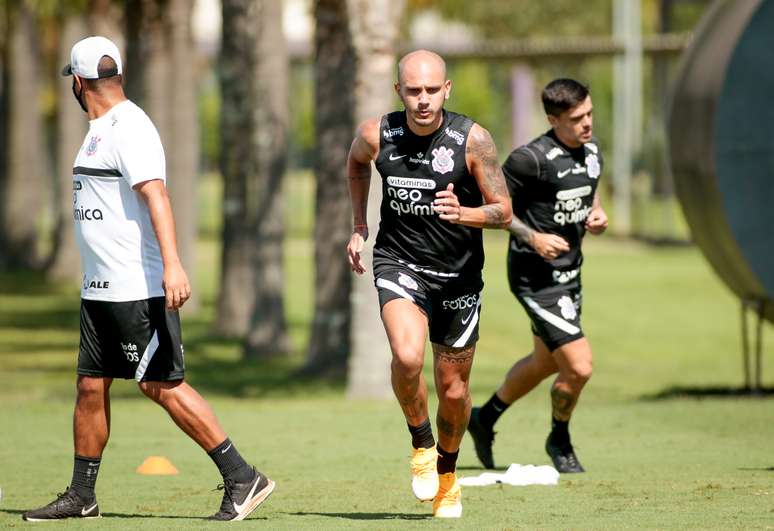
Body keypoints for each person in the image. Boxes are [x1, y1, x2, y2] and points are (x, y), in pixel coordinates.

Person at [22, 36, 274, 522]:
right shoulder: (100, 128)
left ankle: (243, 476)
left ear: (78, 83)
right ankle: (82, 495)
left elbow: (157, 195)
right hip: (99, 290)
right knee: (90, 386)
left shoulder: (129, 127)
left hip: (136, 290)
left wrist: (174, 265)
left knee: (161, 385)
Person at [346, 50, 512, 518]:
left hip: (458, 278)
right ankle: (421, 442)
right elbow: (356, 164)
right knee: (406, 355)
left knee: (454, 390)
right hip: (400, 263)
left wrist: (467, 213)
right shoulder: (376, 134)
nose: (423, 100)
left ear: (447, 88)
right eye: (413, 90)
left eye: (431, 90)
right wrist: (359, 225)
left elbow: (504, 211)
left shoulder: (472, 140)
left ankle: (447, 475)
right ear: (399, 91)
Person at [467, 78, 608, 474]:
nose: (587, 124)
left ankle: (485, 418)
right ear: (553, 119)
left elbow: (589, 189)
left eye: (590, 114)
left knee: (545, 362)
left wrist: (595, 213)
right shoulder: (530, 159)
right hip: (535, 278)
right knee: (578, 366)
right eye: (577, 118)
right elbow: (496, 209)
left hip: (571, 273)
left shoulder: (593, 150)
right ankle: (558, 438)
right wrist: (534, 237)